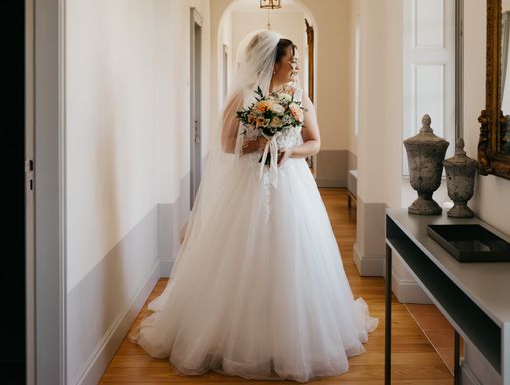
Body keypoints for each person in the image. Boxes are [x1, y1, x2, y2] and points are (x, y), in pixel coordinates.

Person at [127, 29, 379, 381]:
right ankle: (232, 333)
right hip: (248, 185)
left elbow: (316, 143)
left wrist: (289, 151)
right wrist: (258, 144)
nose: (295, 65)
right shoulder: (244, 96)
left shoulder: (299, 97)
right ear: (273, 61)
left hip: (291, 185)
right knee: (240, 254)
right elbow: (226, 143)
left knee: (294, 255)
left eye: (296, 60)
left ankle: (295, 333)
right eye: (290, 59)